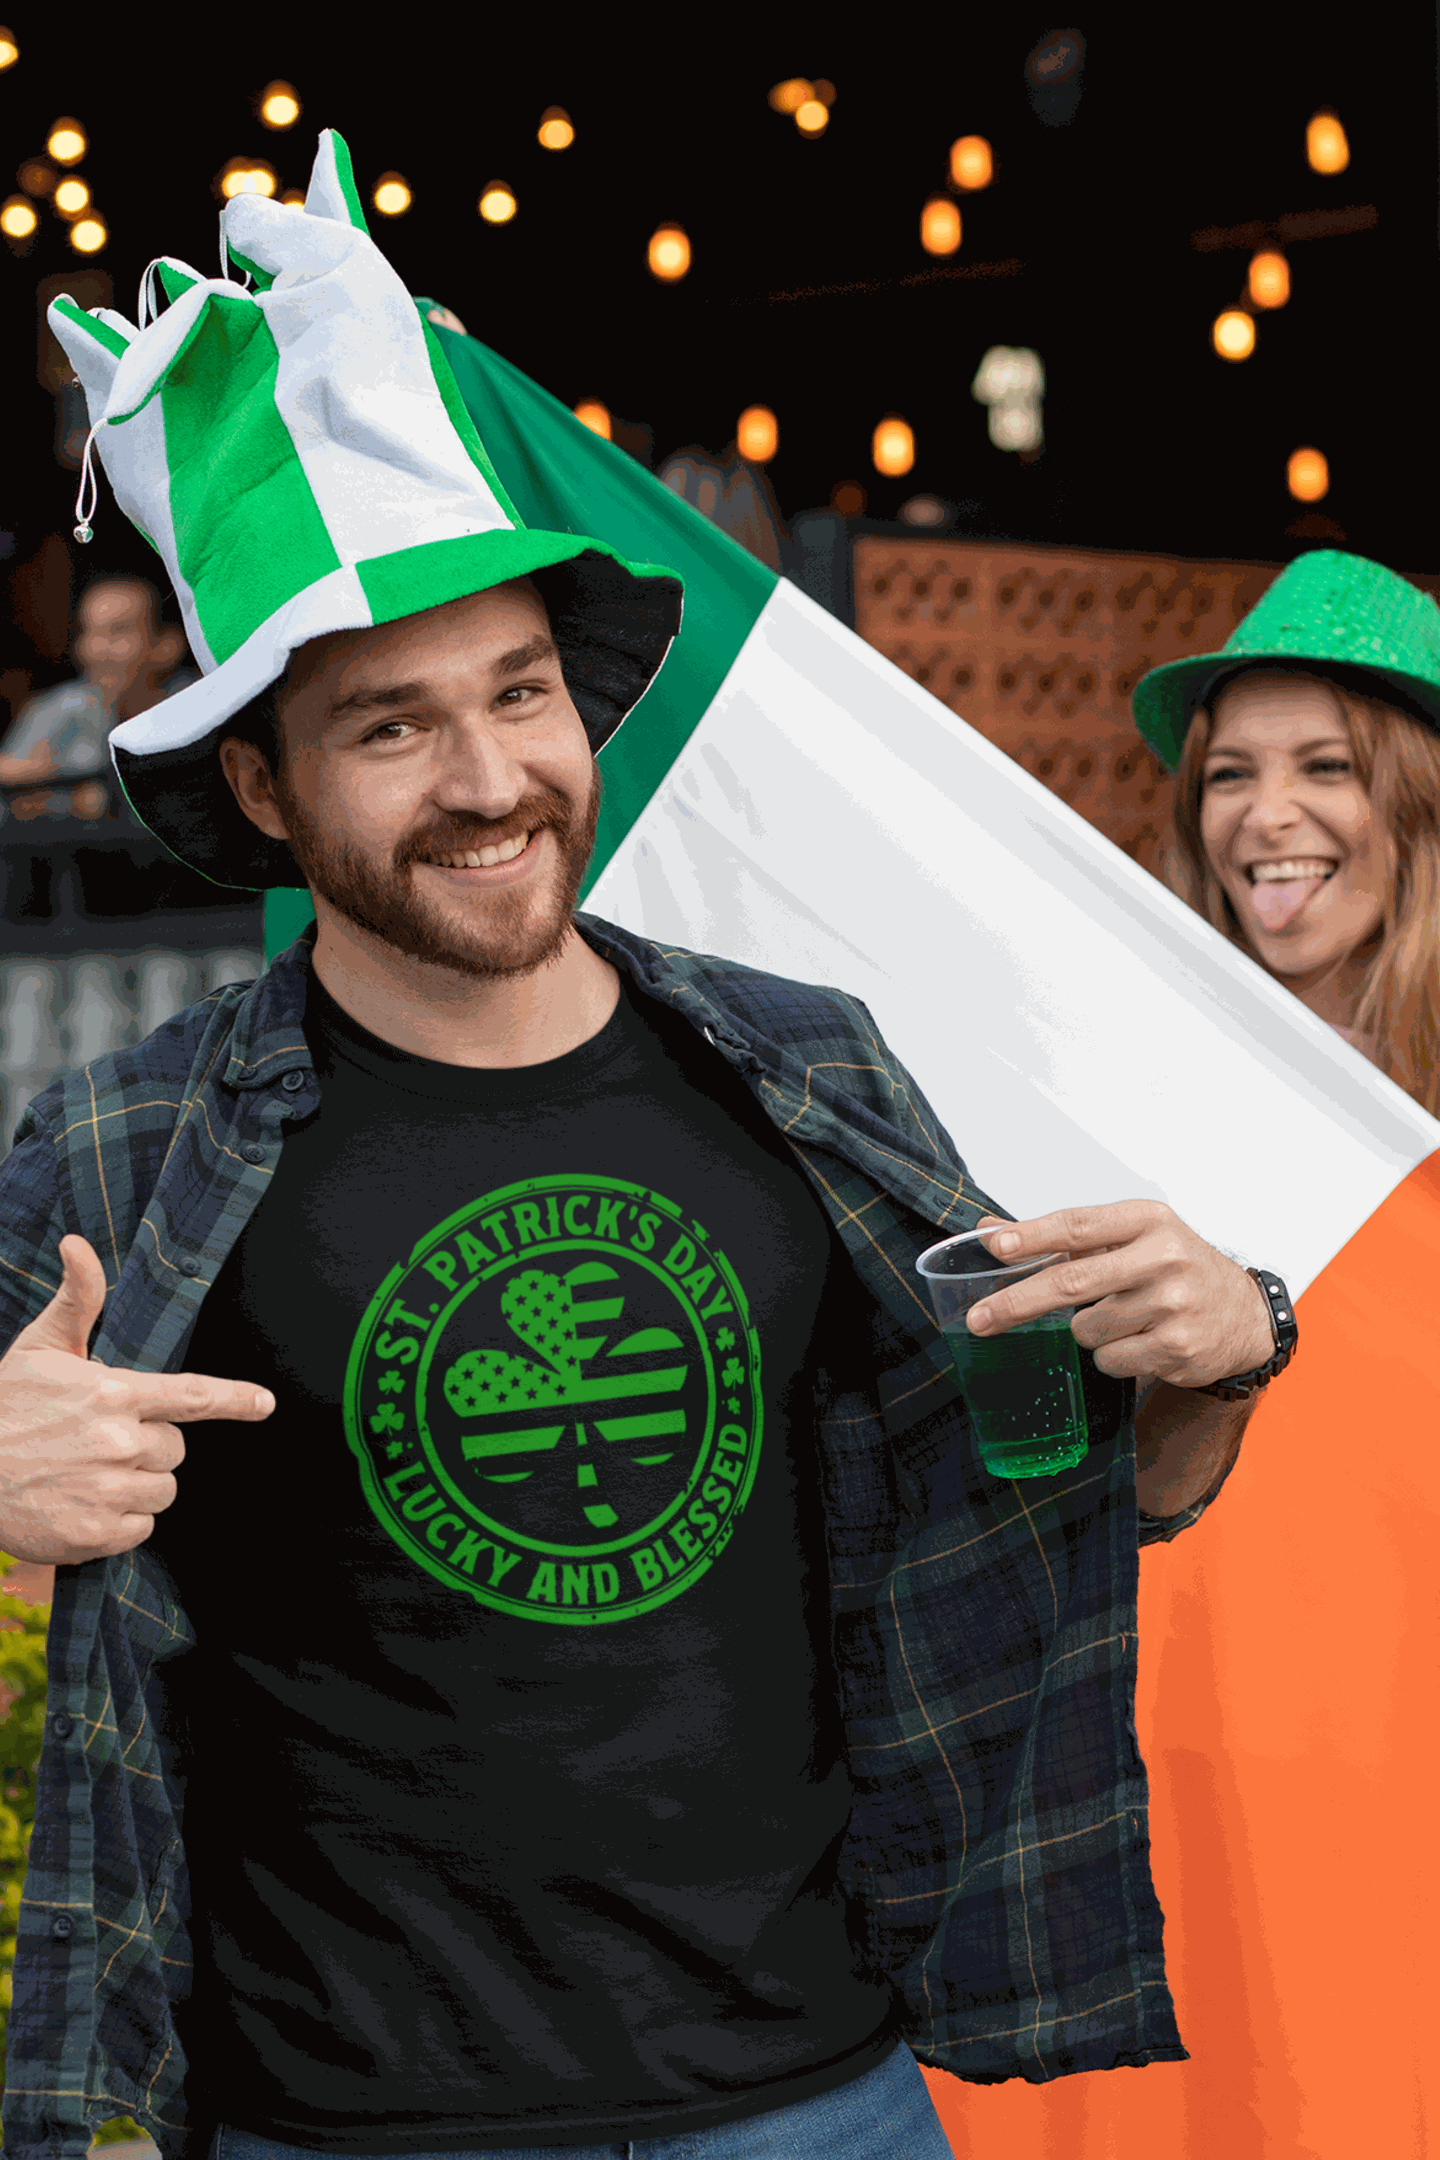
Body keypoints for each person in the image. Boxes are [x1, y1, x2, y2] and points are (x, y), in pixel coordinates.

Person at [0, 132, 1296, 2160]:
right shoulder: (126, 1141)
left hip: (822, 2106)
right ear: (259, 786)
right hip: (343, 2129)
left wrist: (1216, 1359)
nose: (491, 777)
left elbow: (1069, 1487)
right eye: (391, 725)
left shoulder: (802, 1070)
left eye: (519, 692)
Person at [1133, 549, 1440, 1113]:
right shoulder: (1135, 1058)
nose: (1266, 816)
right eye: (1229, 774)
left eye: (1327, 766)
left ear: (1424, 805)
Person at [0, 574, 192, 822]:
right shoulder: (61, 709)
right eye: (87, 631)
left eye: (118, 632)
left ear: (167, 646)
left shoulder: (192, 708)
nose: (95, 649)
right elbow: (12, 777)